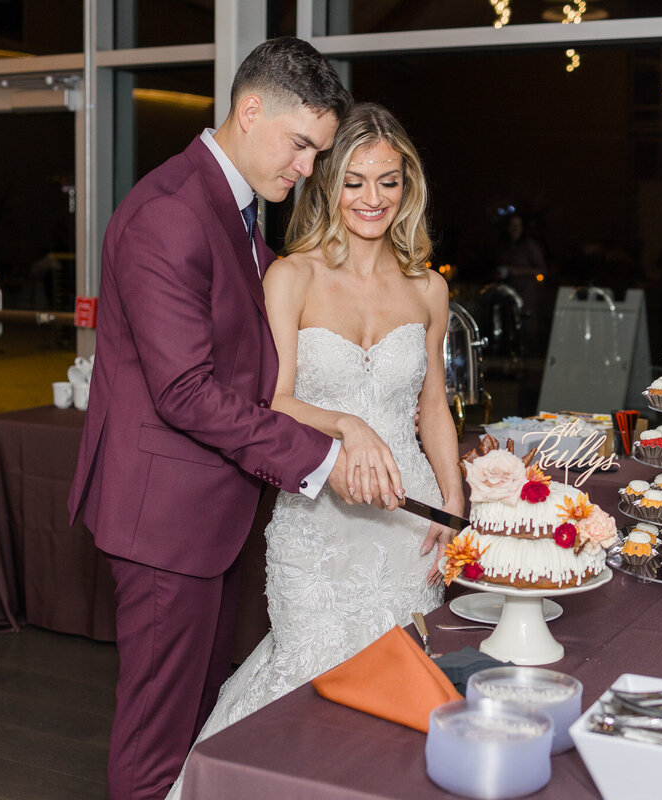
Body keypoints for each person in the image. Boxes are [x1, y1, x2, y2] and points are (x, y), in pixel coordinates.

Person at [68, 40, 403, 800]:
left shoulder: (236, 208)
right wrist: (320, 455)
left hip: (207, 517)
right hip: (162, 523)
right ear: (251, 112)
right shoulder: (170, 214)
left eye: (319, 151)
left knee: (197, 719)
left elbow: (246, 364)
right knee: (158, 738)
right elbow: (185, 391)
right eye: (303, 145)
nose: (309, 168)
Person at [165, 102, 465, 798]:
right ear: (328, 184)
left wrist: (452, 507)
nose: (372, 199)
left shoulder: (428, 288)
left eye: (388, 182)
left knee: (403, 695)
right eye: (355, 181)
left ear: (407, 187)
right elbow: (274, 404)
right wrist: (346, 426)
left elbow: (433, 407)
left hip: (407, 525)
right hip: (317, 520)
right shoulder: (291, 277)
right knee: (307, 680)